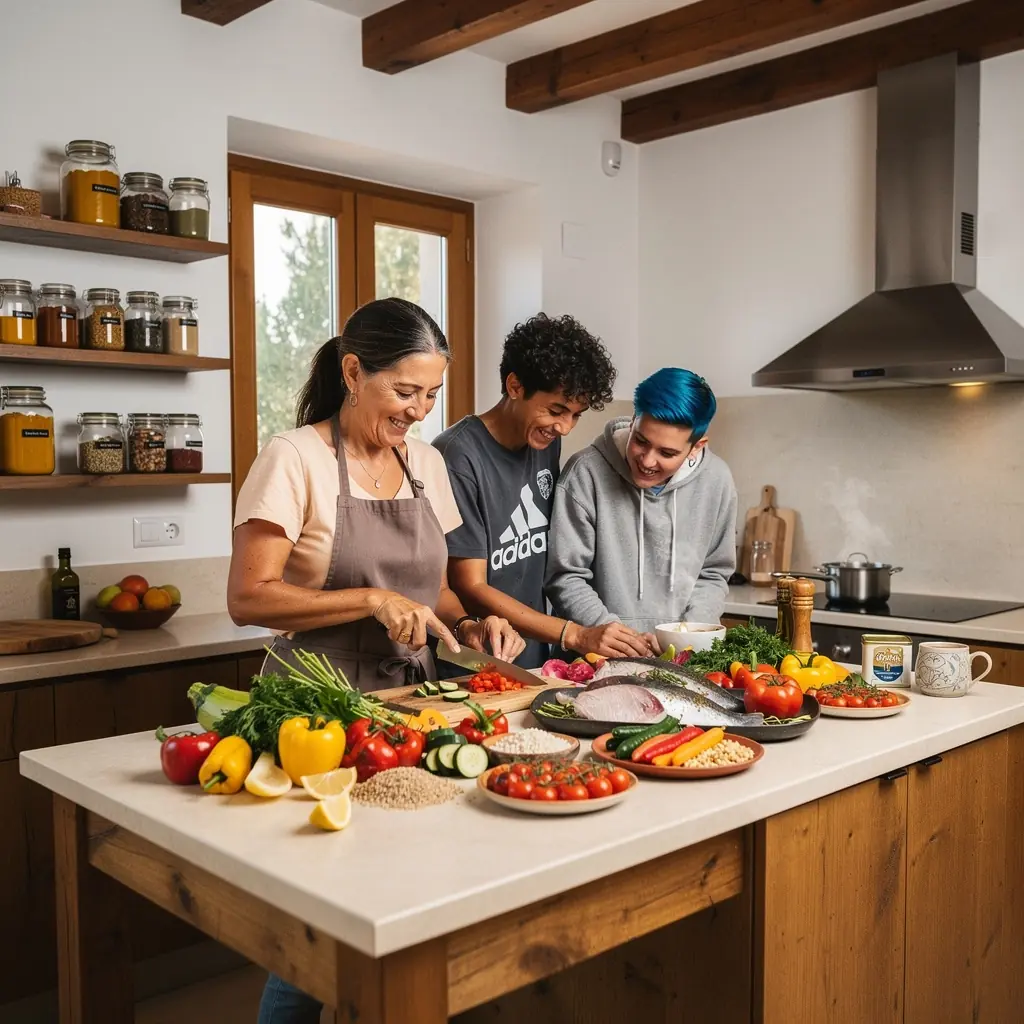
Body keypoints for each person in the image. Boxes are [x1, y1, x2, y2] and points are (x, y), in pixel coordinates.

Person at [228, 297, 523, 1024]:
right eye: (404, 391)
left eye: (430, 394)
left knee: (412, 894)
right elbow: (248, 597)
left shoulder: (424, 463)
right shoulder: (292, 458)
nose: (419, 410)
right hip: (315, 711)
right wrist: (365, 598)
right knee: (316, 919)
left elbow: (437, 596)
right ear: (354, 372)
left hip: (409, 708)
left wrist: (477, 623)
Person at [433, 313, 656, 664]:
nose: (565, 427)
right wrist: (577, 634)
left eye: (576, 415)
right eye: (556, 410)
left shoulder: (543, 441)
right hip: (477, 658)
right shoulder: (457, 456)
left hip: (536, 655)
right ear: (515, 386)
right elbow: (469, 586)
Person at [545, 367, 738, 636]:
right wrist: (612, 633)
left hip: (682, 655)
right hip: (595, 657)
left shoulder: (717, 481)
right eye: (641, 441)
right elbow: (565, 576)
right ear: (634, 419)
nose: (647, 461)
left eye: (667, 452)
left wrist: (686, 635)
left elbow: (714, 573)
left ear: (697, 445)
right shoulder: (585, 472)